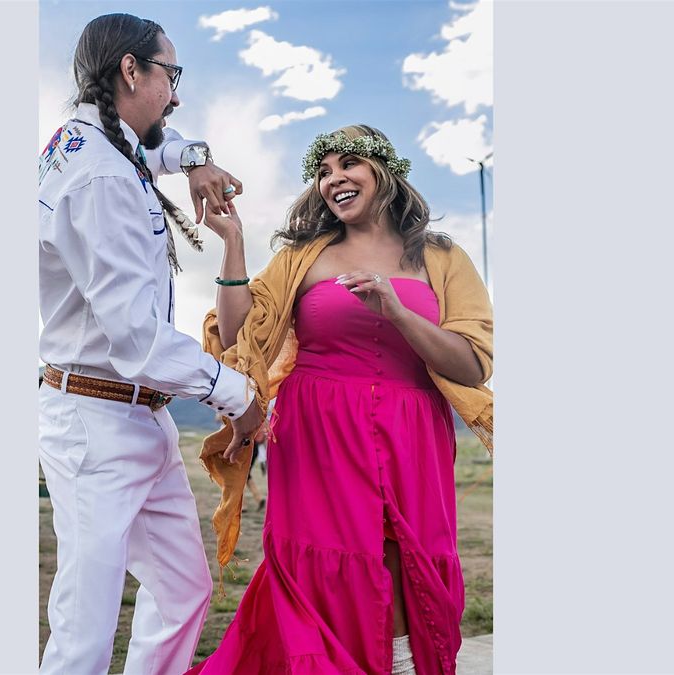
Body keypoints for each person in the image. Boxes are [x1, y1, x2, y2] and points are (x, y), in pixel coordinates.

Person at [187, 125, 494, 674]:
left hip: (413, 429)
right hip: (317, 430)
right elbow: (238, 339)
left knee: (407, 555)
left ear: (384, 171)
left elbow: (472, 364)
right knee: (321, 563)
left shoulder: (442, 257)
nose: (334, 179)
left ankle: (402, 665)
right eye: (323, 172)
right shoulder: (303, 257)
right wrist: (232, 242)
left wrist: (396, 312)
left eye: (348, 164)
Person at [37, 13, 265, 675]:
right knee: (84, 632)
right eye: (171, 73)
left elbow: (160, 147)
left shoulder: (92, 143)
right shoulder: (102, 179)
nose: (177, 94)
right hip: (97, 420)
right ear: (130, 70)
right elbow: (138, 339)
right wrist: (236, 394)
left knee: (182, 591)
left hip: (139, 416)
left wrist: (194, 159)